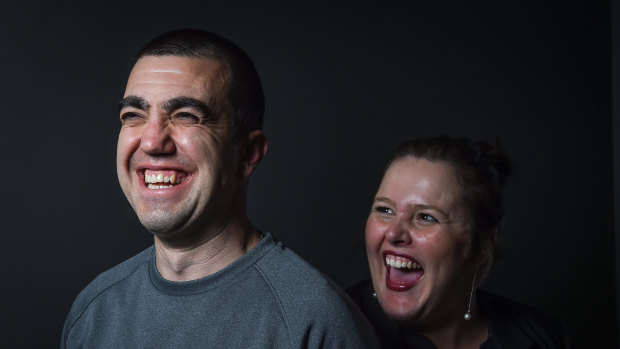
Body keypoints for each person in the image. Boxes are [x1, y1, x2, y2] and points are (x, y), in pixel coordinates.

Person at [62, 29, 377, 348]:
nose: (152, 140)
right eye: (134, 115)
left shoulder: (314, 322)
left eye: (186, 115)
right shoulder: (94, 311)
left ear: (248, 153)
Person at [348, 136, 570, 348]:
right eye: (384, 210)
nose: (394, 233)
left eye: (426, 217)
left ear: (481, 246)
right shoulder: (335, 328)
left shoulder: (544, 336)